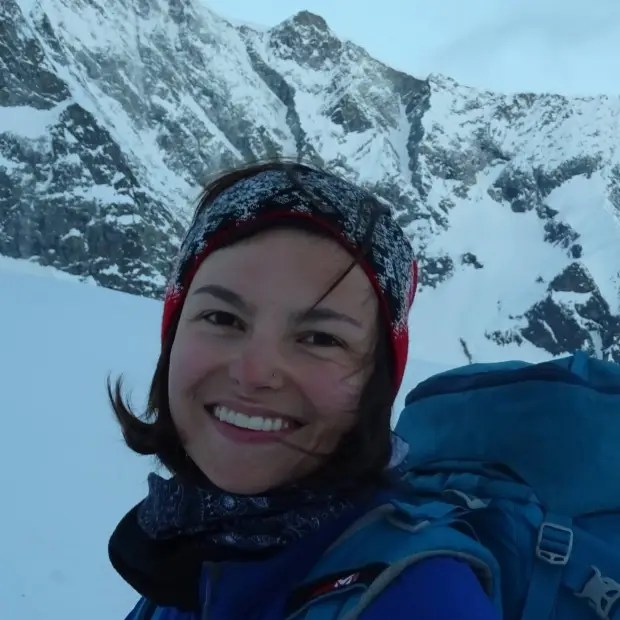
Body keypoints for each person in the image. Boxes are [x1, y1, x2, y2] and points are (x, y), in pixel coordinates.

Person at [108, 161, 501, 619]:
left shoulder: (421, 600)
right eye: (222, 318)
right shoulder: (188, 542)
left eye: (320, 339)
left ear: (375, 382)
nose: (254, 373)